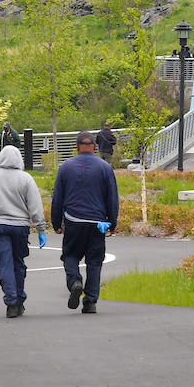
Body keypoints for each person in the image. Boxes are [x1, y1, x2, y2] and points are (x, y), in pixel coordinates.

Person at [0, 145, 47, 319]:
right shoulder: (26, 178)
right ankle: (19, 299)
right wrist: (41, 229)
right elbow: (35, 207)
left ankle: (11, 301)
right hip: (20, 227)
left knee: (4, 264)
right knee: (18, 263)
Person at [50, 130, 120, 314]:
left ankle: (74, 281)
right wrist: (112, 223)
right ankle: (90, 302)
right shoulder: (105, 168)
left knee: (70, 255)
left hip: (73, 221)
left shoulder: (65, 167)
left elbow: (58, 198)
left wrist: (56, 222)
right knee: (94, 261)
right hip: (97, 223)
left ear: (77, 147)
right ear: (95, 147)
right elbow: (112, 198)